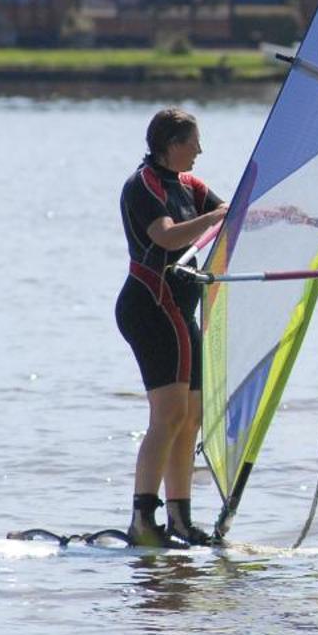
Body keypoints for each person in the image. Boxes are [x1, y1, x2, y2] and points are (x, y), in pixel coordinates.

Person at [116, 108, 227, 547]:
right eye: (193, 142)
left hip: (179, 308)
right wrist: (213, 220)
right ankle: (143, 521)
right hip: (150, 305)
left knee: (192, 416)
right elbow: (165, 237)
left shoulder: (189, 186)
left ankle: (180, 520)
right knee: (169, 416)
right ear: (172, 144)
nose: (200, 150)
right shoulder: (142, 185)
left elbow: (226, 209)